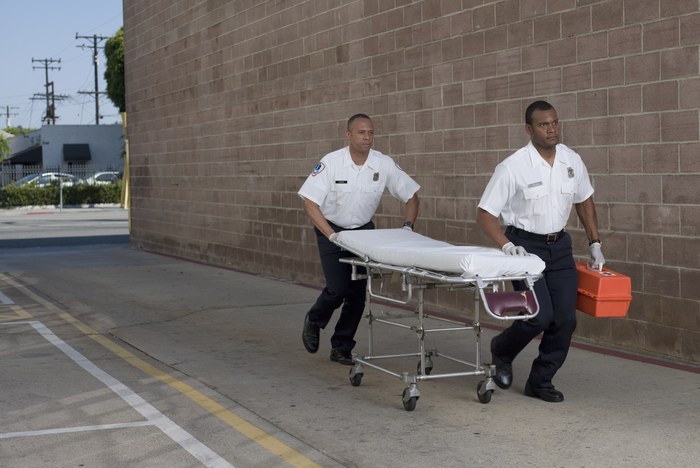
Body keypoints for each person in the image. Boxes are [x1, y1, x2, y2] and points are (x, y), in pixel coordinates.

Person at [477, 101, 604, 402]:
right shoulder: (512, 167)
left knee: (565, 319)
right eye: (544, 124)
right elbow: (485, 214)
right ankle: (502, 350)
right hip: (524, 248)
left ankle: (540, 381)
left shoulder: (572, 160)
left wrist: (595, 243)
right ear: (529, 129)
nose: (552, 129)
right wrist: (507, 245)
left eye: (555, 122)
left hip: (559, 247)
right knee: (539, 315)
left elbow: (584, 201)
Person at [298, 114, 420, 365]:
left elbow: (412, 196)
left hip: (363, 233)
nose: (367, 137)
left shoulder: (382, 163)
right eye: (362, 132)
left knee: (357, 295)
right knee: (338, 289)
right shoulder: (331, 163)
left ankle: (341, 347)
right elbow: (310, 203)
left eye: (371, 133)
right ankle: (314, 319)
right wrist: (331, 235)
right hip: (331, 229)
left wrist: (408, 227)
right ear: (349, 135)